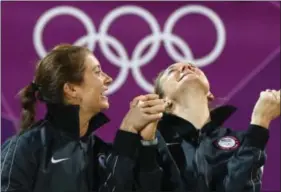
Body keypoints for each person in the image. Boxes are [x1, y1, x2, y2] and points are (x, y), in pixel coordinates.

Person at [1, 44, 165, 192]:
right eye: (97, 72)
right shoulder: (23, 148)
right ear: (71, 89)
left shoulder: (100, 152)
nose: (108, 79)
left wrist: (147, 143)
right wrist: (127, 130)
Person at [143, 62, 280, 192]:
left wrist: (260, 122)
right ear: (164, 101)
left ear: (210, 95)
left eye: (193, 66)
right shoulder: (153, 143)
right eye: (172, 71)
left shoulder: (245, 141)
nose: (186, 66)